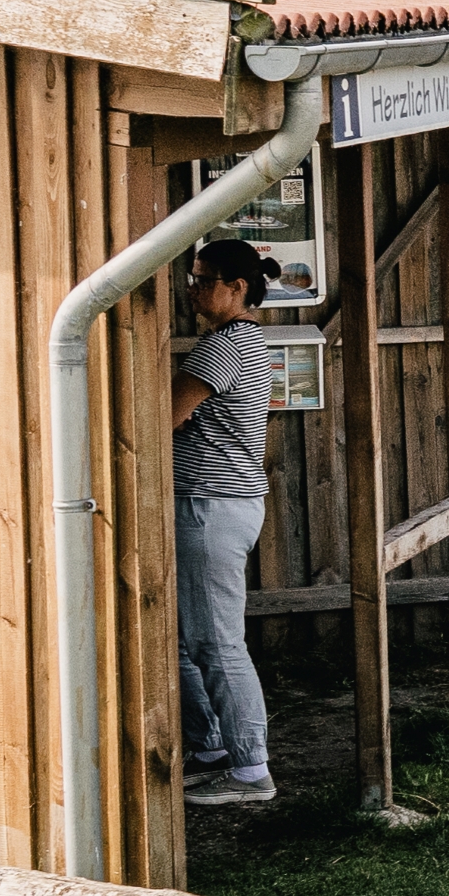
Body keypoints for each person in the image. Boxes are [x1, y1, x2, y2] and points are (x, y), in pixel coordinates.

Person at [164, 236, 283, 806]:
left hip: (209, 507)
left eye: (204, 279)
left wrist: (172, 421)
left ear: (238, 288)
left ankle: (251, 769)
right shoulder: (246, 342)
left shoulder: (220, 352)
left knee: (217, 644)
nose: (192, 289)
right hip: (224, 503)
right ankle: (211, 748)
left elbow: (158, 418)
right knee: (192, 640)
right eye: (192, 277)